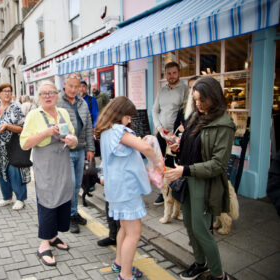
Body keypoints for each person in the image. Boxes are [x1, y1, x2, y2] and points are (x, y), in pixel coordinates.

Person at [165, 77, 235, 280]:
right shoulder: (197, 116)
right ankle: (200, 263)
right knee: (188, 223)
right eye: (195, 100)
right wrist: (180, 146)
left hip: (204, 182)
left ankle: (218, 274)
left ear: (213, 98)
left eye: (201, 100)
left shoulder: (224, 124)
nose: (197, 104)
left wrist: (185, 170)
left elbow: (218, 164)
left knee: (201, 229)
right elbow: (193, 143)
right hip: (188, 177)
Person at [95, 96, 162, 280]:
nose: (130, 120)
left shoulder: (107, 131)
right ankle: (125, 274)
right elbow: (146, 150)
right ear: (120, 114)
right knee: (134, 233)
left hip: (116, 189)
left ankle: (119, 264)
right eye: (128, 116)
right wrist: (159, 163)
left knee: (124, 229)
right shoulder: (119, 130)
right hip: (126, 189)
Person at [20, 80, 78, 266]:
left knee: (62, 197)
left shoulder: (63, 112)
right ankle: (43, 244)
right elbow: (24, 143)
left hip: (62, 163)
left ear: (57, 95)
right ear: (38, 97)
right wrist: (45, 132)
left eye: (51, 92)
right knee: (47, 201)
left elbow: (73, 136)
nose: (47, 96)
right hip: (45, 165)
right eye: (43, 93)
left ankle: (53, 236)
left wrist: (72, 141)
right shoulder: (33, 115)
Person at [57, 73, 95, 234]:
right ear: (65, 85)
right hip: (65, 151)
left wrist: (91, 149)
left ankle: (73, 212)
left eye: (76, 86)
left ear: (80, 86)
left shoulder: (82, 103)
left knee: (77, 184)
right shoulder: (58, 102)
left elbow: (87, 128)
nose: (73, 90)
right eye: (70, 86)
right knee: (71, 184)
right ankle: (70, 215)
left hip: (80, 150)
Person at [0, 83, 29, 211]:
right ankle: (7, 198)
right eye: (4, 91)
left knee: (15, 172)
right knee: (1, 172)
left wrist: (7, 126)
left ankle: (20, 199)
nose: (7, 93)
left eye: (9, 91)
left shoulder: (16, 108)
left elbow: (23, 128)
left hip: (13, 146)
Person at [152, 62, 189, 206]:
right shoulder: (162, 90)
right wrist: (160, 128)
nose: (171, 76)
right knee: (160, 164)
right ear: (165, 74)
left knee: (173, 165)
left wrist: (176, 132)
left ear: (178, 73)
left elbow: (185, 112)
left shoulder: (184, 89)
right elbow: (155, 110)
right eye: (168, 73)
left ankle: (176, 194)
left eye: (174, 73)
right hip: (161, 134)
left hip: (176, 136)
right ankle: (163, 192)